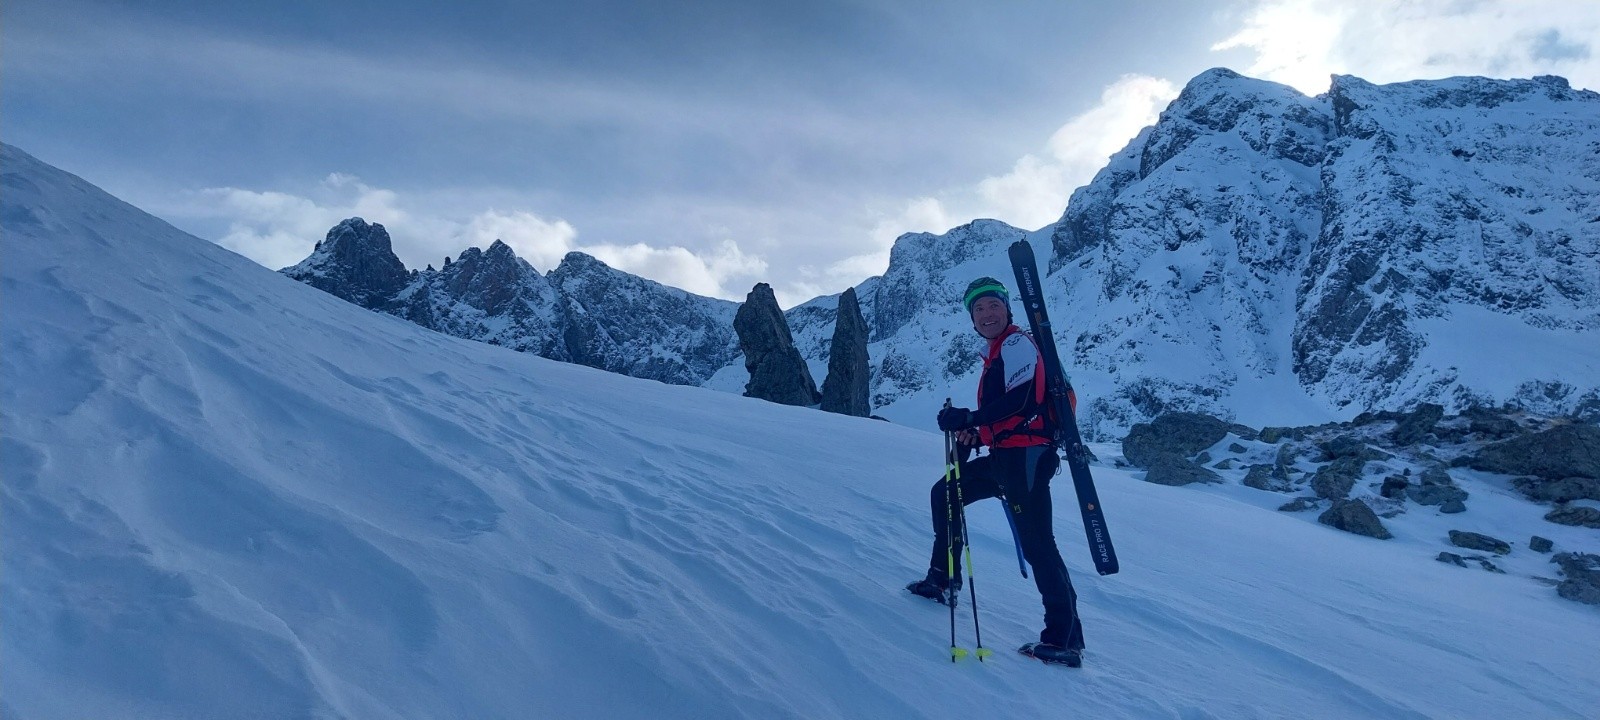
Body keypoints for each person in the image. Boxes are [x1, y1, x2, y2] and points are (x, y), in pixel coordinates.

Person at [905, 276, 1086, 667]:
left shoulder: (1019, 343)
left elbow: (1023, 401)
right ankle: (943, 577)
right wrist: (977, 433)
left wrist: (969, 416)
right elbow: (1012, 414)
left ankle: (1064, 639)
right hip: (1008, 456)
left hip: (1025, 460)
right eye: (979, 309)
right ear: (972, 318)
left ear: (1007, 310)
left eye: (993, 306)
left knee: (1038, 543)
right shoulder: (999, 352)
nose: (987, 314)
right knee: (947, 493)